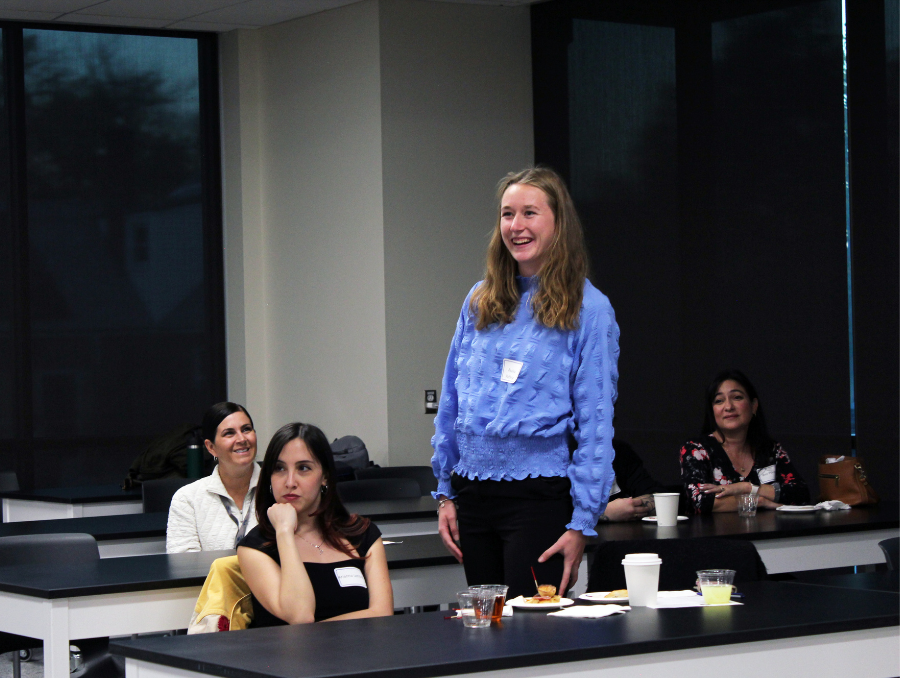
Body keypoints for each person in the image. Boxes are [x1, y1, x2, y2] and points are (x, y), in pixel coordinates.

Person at [431, 166, 620, 598]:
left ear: (559, 223)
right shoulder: (479, 299)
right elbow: (452, 400)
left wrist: (582, 523)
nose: (516, 226)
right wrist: (444, 492)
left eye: (530, 213)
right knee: (485, 636)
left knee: (533, 640)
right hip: (471, 496)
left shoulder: (590, 309)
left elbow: (596, 422)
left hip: (539, 502)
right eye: (507, 214)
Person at [237, 422, 393, 625]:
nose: (290, 481)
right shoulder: (255, 548)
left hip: (359, 654)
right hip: (288, 657)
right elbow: (300, 616)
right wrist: (284, 532)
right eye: (279, 468)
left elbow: (382, 612)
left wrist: (321, 630)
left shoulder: (362, 534)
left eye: (303, 468)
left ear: (325, 476)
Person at [680, 369, 810, 514]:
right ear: (712, 411)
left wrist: (747, 488)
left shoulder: (770, 449)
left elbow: (800, 494)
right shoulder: (697, 449)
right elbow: (700, 502)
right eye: (719, 401)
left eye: (737, 397)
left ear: (754, 405)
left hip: (770, 534)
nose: (728, 407)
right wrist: (758, 501)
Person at [167, 402, 261, 552]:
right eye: (229, 433)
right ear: (211, 447)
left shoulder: (277, 488)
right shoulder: (187, 499)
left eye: (246, 429)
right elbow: (184, 567)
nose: (242, 438)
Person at [599, 439, 666, 522]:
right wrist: (604, 512)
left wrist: (628, 506)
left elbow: (662, 499)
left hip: (619, 533)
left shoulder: (616, 451)